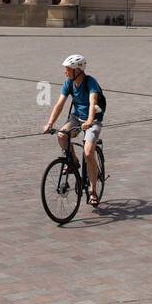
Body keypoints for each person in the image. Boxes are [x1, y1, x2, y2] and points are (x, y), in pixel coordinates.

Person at [42, 53, 105, 207]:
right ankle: (74, 162)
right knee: (62, 135)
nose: (65, 72)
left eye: (68, 69)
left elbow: (92, 102)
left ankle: (92, 191)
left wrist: (90, 121)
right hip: (76, 118)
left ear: (78, 70)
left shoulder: (90, 82)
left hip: (93, 119)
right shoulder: (68, 83)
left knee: (89, 152)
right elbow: (60, 104)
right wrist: (50, 123)